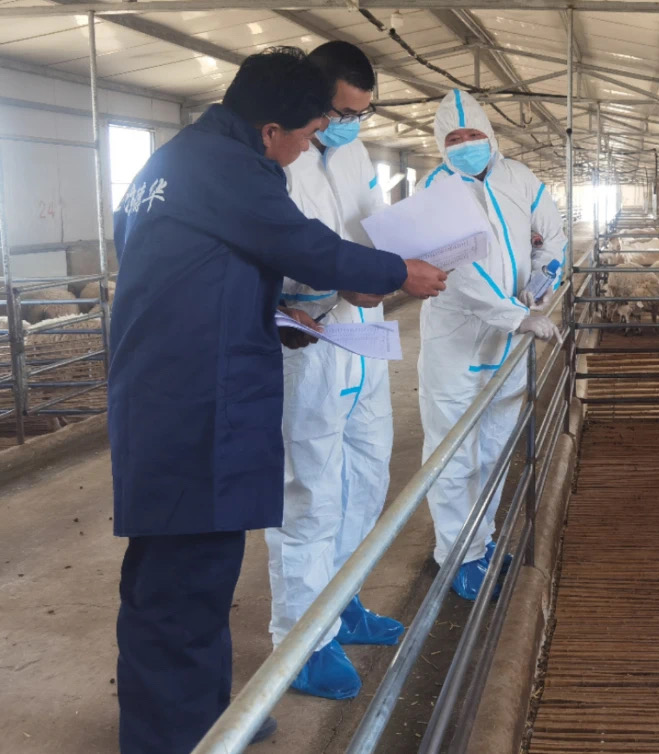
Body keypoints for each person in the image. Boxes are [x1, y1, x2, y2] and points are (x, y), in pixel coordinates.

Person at [110, 47, 447, 754]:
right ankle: (173, 739)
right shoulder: (229, 167)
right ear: (270, 130)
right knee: (178, 585)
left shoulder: (173, 162)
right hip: (193, 404)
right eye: (307, 134)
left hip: (173, 390)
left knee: (192, 577)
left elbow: (190, 270)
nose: (304, 150)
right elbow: (305, 245)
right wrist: (398, 272)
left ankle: (208, 717)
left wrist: (263, 310)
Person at [263, 41, 406, 701]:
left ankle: (341, 601)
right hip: (307, 343)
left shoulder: (353, 153)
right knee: (310, 494)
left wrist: (402, 255)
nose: (349, 125)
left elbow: (371, 226)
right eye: (342, 112)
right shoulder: (275, 157)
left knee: (368, 474)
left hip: (363, 331)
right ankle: (301, 642)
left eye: (360, 114)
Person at [418, 89, 567, 601]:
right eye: (454, 138)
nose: (466, 145)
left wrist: (545, 276)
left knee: (495, 446)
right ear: (441, 144)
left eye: (473, 134)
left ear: (490, 135)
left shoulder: (518, 177)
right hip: (457, 341)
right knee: (454, 450)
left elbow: (553, 233)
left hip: (508, 337)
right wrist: (517, 315)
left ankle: (479, 543)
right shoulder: (434, 190)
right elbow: (458, 271)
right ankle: (454, 556)